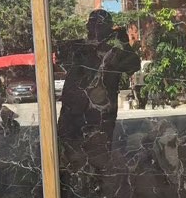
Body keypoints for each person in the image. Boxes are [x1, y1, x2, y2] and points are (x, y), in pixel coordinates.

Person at [56, 9, 140, 166]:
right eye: (93, 24)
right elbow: (59, 56)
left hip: (100, 117)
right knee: (68, 159)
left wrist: (124, 43)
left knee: (98, 161)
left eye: (100, 25)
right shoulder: (78, 48)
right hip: (72, 115)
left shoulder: (114, 53)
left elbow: (134, 64)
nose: (95, 28)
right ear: (88, 26)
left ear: (108, 29)